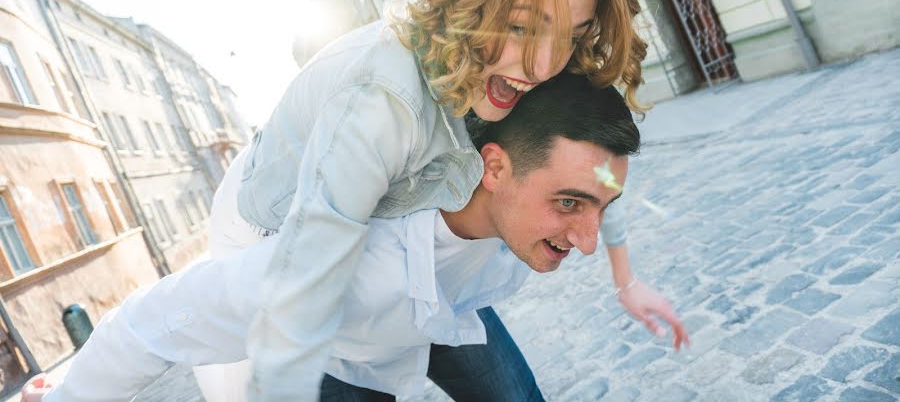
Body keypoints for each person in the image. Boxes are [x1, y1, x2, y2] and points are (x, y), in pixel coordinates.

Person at [31, 73, 688, 402]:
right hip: (336, 343)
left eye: (595, 207)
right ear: (494, 170)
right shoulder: (339, 266)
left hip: (441, 303)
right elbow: (152, 321)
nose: (585, 239)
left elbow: (595, 178)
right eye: (568, 206)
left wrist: (626, 278)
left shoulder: (515, 173)